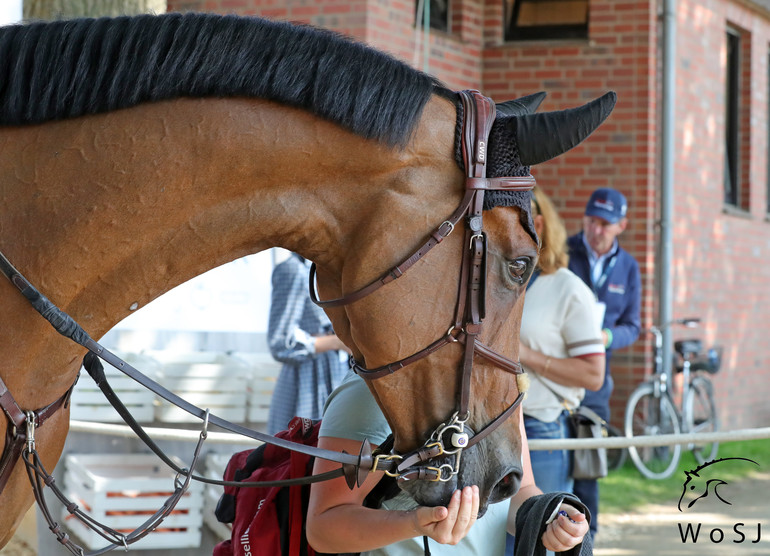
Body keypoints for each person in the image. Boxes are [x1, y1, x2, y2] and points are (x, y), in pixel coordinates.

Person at [305, 372, 591, 555]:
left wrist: (551, 517)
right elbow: (324, 526)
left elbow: (520, 489)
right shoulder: (369, 391)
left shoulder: (502, 383)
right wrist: (415, 524)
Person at [519, 187, 606, 495]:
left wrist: (526, 354)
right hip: (488, 427)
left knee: (537, 539)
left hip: (540, 428)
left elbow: (594, 375)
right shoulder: (498, 282)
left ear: (538, 225)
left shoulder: (568, 289)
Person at [567, 187, 642, 537]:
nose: (596, 230)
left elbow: (633, 326)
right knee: (549, 457)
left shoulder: (628, 267)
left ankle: (587, 537)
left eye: (605, 224)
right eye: (591, 221)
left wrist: (608, 337)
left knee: (587, 464)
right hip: (556, 375)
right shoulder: (563, 251)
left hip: (596, 379)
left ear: (621, 226)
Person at [266, 252, 351, 434]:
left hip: (335, 375)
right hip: (306, 378)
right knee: (299, 451)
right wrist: (336, 342)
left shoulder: (327, 268)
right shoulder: (293, 269)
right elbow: (280, 341)